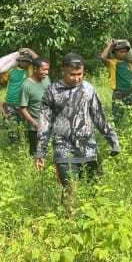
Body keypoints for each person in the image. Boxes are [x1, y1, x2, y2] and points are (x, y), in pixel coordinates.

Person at [34, 53, 119, 215]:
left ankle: (95, 221)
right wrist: (40, 152)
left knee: (97, 188)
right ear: (63, 71)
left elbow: (99, 116)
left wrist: (112, 139)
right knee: (70, 189)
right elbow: (44, 123)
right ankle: (68, 223)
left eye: (79, 74)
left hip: (88, 149)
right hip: (63, 150)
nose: (76, 78)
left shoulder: (88, 89)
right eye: (72, 74)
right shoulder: (52, 92)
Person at [0, 48, 39, 141]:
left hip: (25, 104)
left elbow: (38, 60)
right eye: (23, 61)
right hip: (10, 103)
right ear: (19, 61)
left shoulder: (31, 70)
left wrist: (28, 49)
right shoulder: (11, 71)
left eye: (27, 61)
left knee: (26, 127)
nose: (25, 63)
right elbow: (2, 82)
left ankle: (26, 146)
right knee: (11, 127)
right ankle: (14, 147)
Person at [99, 38, 132, 122]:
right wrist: (110, 45)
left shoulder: (128, 64)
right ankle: (114, 133)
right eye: (121, 52)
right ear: (114, 52)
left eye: (125, 51)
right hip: (118, 94)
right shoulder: (112, 63)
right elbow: (103, 57)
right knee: (116, 118)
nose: (124, 54)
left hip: (130, 92)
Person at [19, 58, 51, 156]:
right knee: (36, 154)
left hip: (49, 122)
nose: (46, 72)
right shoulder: (26, 86)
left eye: (47, 69)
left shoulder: (46, 79)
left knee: (50, 152)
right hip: (35, 127)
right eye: (43, 69)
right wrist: (34, 124)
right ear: (35, 68)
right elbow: (23, 109)